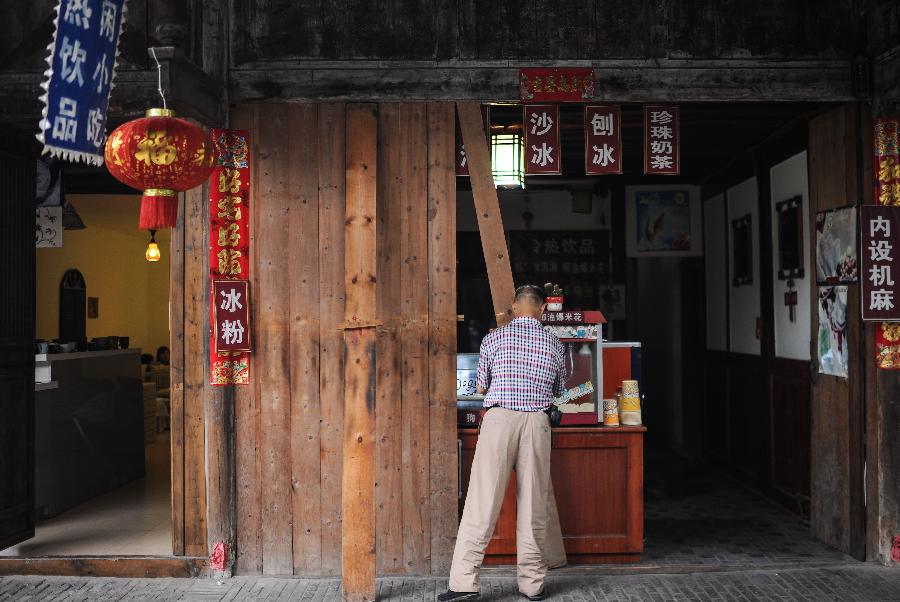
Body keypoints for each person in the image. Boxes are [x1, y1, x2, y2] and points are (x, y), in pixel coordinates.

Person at [440, 285, 567, 602]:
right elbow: (560, 389)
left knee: (482, 502)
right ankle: (532, 586)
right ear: (540, 309)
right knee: (534, 506)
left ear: (513, 307)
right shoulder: (553, 342)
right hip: (537, 422)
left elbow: (482, 385)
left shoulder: (494, 338)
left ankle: (464, 584)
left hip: (499, 422)